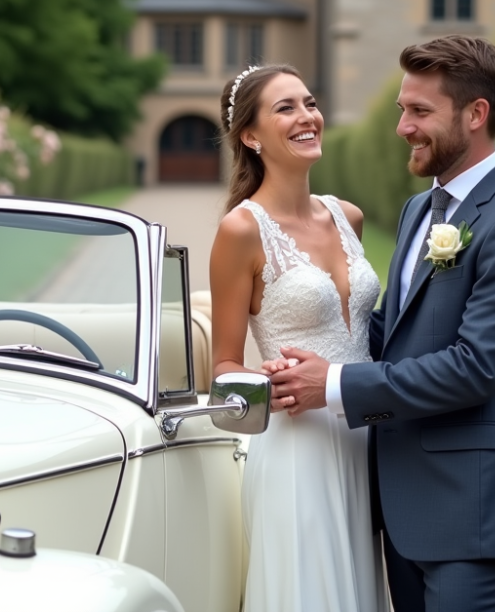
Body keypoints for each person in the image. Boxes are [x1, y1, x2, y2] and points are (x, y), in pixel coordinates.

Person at [270, 35, 495, 612]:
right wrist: (307, 353)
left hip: (476, 513)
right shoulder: (420, 211)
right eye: (402, 109)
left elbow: (474, 367)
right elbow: (396, 332)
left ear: (476, 114)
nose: (403, 127)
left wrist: (332, 386)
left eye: (420, 112)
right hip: (404, 507)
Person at [209, 64, 386, 612]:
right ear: (251, 135)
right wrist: (259, 380)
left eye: (309, 103)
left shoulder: (347, 216)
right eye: (286, 108)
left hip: (366, 435)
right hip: (296, 448)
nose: (307, 116)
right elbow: (222, 366)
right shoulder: (241, 230)